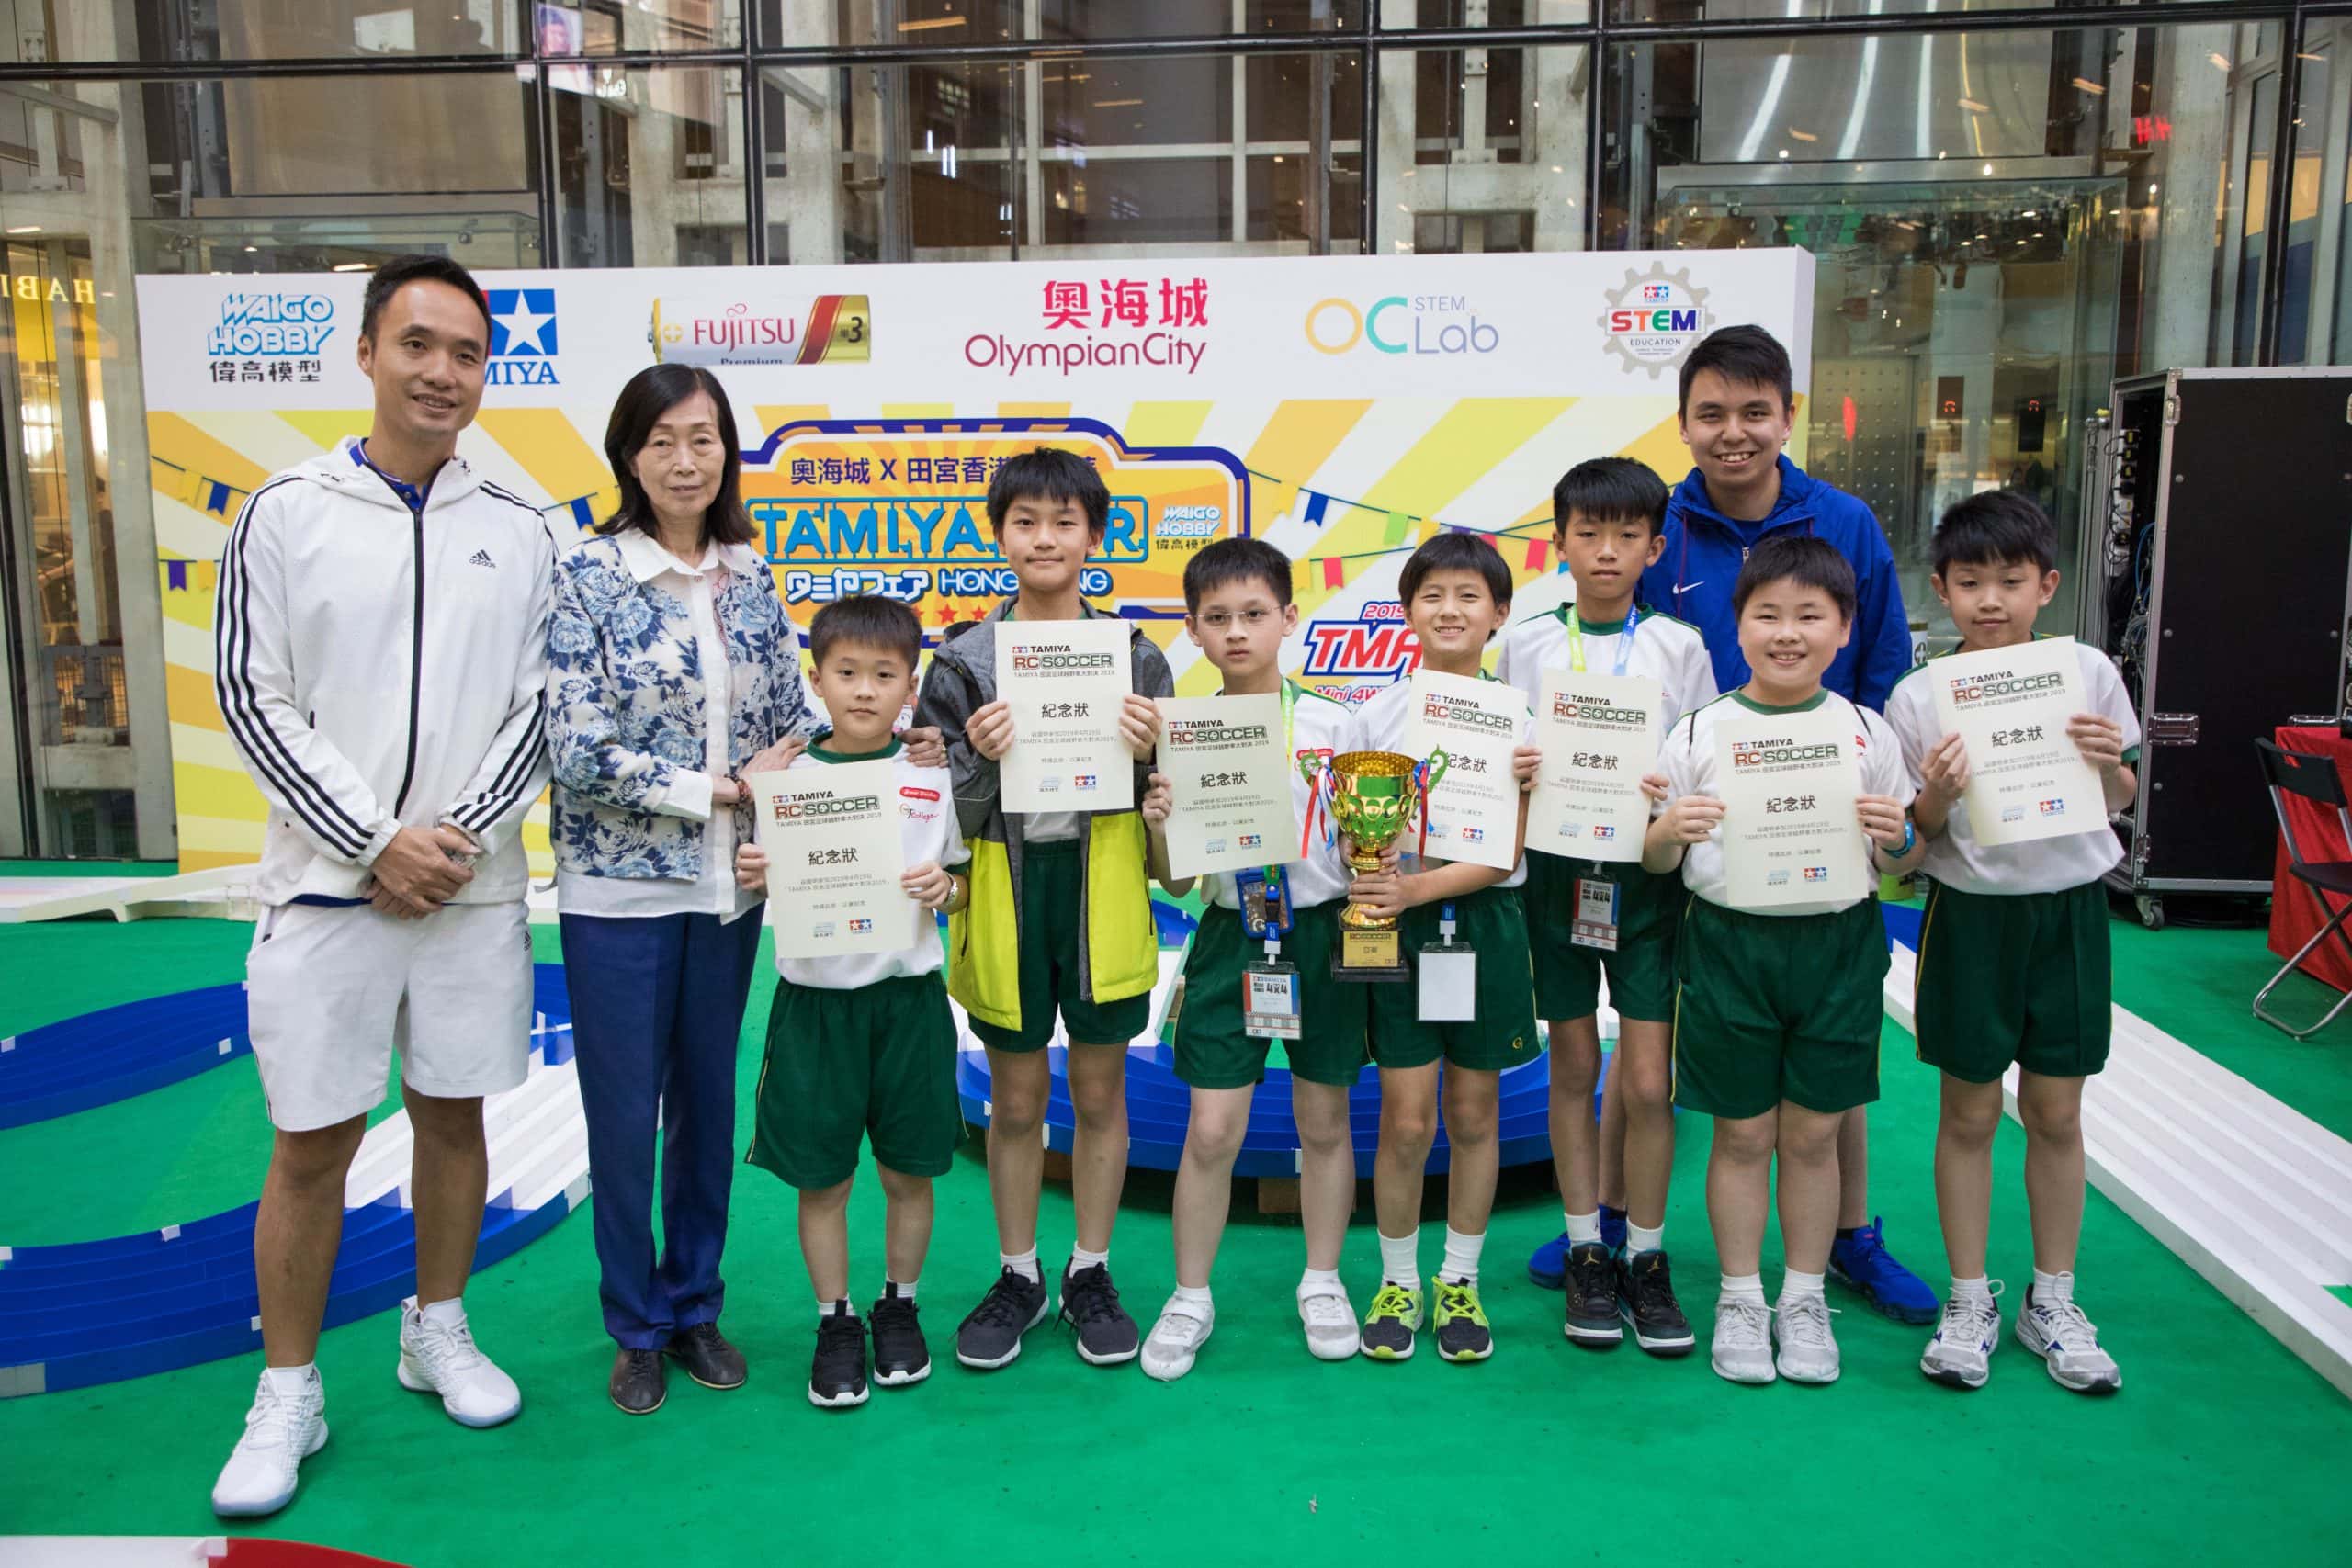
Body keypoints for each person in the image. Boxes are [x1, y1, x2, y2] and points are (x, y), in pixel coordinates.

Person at [209, 255, 553, 1517]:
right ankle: (288, 1388)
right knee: (311, 1143)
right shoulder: (284, 511)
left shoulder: (522, 527)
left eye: (466, 353)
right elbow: (252, 695)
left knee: (454, 1116)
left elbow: (539, 705)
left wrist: (449, 840)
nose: (442, 372)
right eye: (418, 344)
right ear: (366, 352)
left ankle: (436, 1326)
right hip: (325, 892)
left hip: (469, 890)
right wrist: (371, 841)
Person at [544, 364, 855, 1415]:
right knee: (623, 1114)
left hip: (729, 892)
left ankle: (693, 1305)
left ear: (727, 451)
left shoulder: (748, 575)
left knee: (707, 1106)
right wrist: (722, 790)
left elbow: (792, 719)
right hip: (618, 893)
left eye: (704, 438)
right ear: (628, 457)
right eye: (662, 441)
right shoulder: (588, 575)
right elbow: (577, 746)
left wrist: (887, 739)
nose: (686, 461)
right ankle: (633, 1325)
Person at [1618, 322, 1935, 1327]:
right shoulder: (1660, 527)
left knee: (1825, 1079)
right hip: (1693, 824)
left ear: (1788, 417)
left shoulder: (1844, 522)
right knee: (1665, 1041)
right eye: (1711, 413)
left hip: (1818, 834)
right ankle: (1621, 1228)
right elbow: (1624, 659)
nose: (1734, 433)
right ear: (1682, 423)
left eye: (1754, 412)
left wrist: (1875, 794)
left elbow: (1882, 668)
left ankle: (1845, 1238)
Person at [912, 447, 1172, 1371]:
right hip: (1005, 894)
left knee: (1101, 1091)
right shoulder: (961, 662)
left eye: (1065, 521)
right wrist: (978, 757)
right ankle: (1018, 1272)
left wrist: (1150, 754)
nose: (1045, 538)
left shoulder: (1137, 657)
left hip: (1103, 893)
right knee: (1017, 1097)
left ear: (1095, 535)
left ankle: (1089, 1269)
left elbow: (1166, 802)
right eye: (1025, 521)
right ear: (1000, 535)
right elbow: (941, 817)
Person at [1645, 536, 1926, 1386]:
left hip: (1839, 946)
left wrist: (1900, 838)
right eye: (1767, 614)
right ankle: (1740, 1295)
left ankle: (1802, 1298)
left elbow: (1902, 859)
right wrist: (1668, 831)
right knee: (1741, 1132)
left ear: (1844, 628)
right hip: (1729, 945)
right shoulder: (1699, 731)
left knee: (1811, 1135)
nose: (1788, 633)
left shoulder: (1866, 730)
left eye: (1811, 615)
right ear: (1738, 626)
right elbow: (1655, 858)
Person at [1885, 492, 2136, 1393]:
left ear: (2047, 586)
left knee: (2058, 1113)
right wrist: (1938, 795)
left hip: (2068, 914)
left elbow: (2121, 797)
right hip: (1971, 915)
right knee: (1969, 1114)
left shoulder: (2088, 673)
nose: (1989, 600)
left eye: (2009, 581)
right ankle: (1967, 1298)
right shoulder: (1918, 697)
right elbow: (1911, 838)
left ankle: (2053, 1299)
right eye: (1969, 583)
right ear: (1942, 590)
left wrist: (2107, 764)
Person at [1134, 538, 1368, 1379]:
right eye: (1218, 617)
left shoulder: (1337, 724)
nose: (1237, 631)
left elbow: (1364, 850)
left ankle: (1323, 1280)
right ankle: (1189, 1295)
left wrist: (1368, 852)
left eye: (1254, 613)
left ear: (1288, 617)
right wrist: (1160, 822)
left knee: (1325, 1120)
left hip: (1322, 929)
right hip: (1234, 933)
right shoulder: (1182, 732)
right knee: (1211, 1128)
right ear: (1194, 629)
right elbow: (1177, 879)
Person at [1498, 458, 1715, 1356]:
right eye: (1587, 534)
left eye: (1627, 535)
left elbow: (1700, 755)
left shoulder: (1678, 646)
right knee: (1574, 1063)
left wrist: (1673, 790)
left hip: (1646, 877)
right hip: (1555, 873)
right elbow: (1500, 753)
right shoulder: (1526, 642)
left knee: (1647, 1079)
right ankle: (1587, 1245)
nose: (1606, 551)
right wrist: (1514, 770)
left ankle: (1647, 1256)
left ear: (1654, 548)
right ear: (1560, 542)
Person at [734, 595, 971, 1408]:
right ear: (817, 678)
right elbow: (755, 875)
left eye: (883, 674)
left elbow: (962, 879)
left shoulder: (930, 774)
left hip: (908, 1004)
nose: (864, 689)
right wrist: (755, 870)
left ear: (911, 686)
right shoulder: (785, 780)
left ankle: (898, 1305)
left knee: (909, 1172)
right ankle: (835, 1320)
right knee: (823, 1180)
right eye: (846, 672)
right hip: (815, 1010)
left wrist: (948, 888)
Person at [1347, 531, 1539, 1364]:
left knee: (1473, 1112)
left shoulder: (1520, 721)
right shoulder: (1375, 715)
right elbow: (1354, 833)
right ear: (1406, 610)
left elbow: (1505, 853)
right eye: (1432, 595)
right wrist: (1370, 861)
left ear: (1499, 613)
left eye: (1469, 596)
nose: (1449, 610)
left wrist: (1415, 890)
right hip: (1397, 926)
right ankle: (1398, 1279)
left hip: (1483, 924)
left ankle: (1459, 1277)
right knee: (1406, 1117)